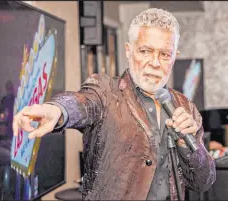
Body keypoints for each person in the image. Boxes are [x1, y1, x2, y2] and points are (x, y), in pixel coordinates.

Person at [13, 8, 216, 200]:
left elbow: (203, 182)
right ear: (129, 51)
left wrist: (187, 145)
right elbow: (83, 103)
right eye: (145, 51)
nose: (155, 62)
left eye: (165, 54)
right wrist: (57, 110)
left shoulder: (185, 107)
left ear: (174, 57)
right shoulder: (105, 91)